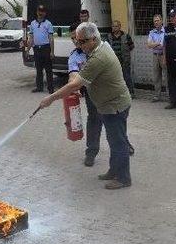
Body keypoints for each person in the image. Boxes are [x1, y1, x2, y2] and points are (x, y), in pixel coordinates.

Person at [39, 22, 133, 190]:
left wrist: (50, 98)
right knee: (114, 141)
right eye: (77, 41)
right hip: (111, 104)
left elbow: (75, 84)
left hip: (115, 106)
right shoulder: (102, 47)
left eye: (82, 42)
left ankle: (123, 178)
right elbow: (76, 75)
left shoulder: (98, 58)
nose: (79, 45)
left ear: (94, 39)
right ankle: (114, 171)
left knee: (118, 143)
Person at [67, 23, 102, 167]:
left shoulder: (99, 49)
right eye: (72, 38)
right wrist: (73, 86)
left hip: (108, 91)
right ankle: (91, 152)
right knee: (94, 119)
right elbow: (73, 76)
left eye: (77, 37)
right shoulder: (74, 56)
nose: (75, 41)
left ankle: (124, 144)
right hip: (91, 92)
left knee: (114, 119)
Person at [26, 5, 54, 93]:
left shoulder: (48, 24)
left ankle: (51, 88)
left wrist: (52, 51)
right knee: (38, 70)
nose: (40, 13)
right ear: (37, 12)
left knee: (48, 70)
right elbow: (31, 38)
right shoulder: (32, 23)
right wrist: (27, 50)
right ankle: (39, 87)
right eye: (39, 11)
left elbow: (51, 38)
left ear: (45, 13)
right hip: (36, 49)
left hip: (46, 48)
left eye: (42, 11)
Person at [107, 20, 135, 97]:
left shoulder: (126, 36)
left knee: (127, 77)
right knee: (115, 79)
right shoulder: (109, 36)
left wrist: (126, 53)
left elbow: (132, 46)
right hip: (114, 62)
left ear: (119, 27)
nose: (114, 28)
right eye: (113, 26)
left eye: (116, 26)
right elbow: (106, 48)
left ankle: (131, 93)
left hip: (124, 61)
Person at [146, 14, 166, 102]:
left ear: (161, 21)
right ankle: (157, 96)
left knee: (167, 76)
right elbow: (149, 45)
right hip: (155, 56)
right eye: (155, 21)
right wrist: (157, 44)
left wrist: (155, 44)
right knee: (156, 77)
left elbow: (163, 46)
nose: (156, 22)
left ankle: (170, 96)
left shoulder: (165, 32)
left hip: (164, 56)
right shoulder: (152, 32)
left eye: (158, 20)